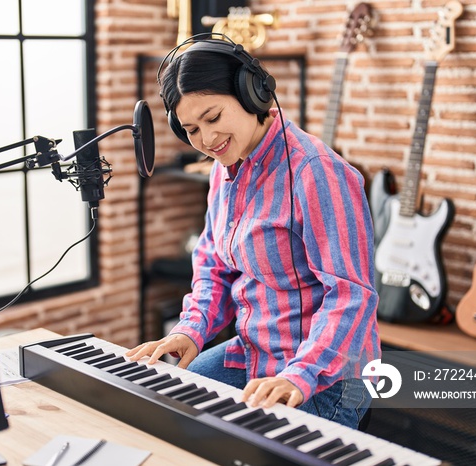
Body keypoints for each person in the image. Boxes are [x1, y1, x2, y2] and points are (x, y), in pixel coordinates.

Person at [126, 34, 380, 430]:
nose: (207, 140)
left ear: (252, 93)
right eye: (191, 129)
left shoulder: (317, 172)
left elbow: (352, 296)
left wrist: (300, 374)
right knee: (162, 412)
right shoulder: (223, 168)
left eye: (213, 118)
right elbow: (213, 263)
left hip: (324, 374)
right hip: (253, 352)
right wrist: (191, 330)